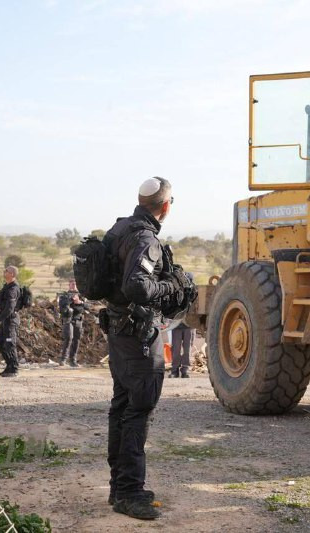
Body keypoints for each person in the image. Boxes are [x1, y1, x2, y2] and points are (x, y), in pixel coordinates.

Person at [103, 177, 187, 521]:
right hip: (138, 337)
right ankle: (129, 492)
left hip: (118, 331)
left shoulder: (119, 229)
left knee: (122, 406)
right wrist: (171, 285)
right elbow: (137, 284)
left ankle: (119, 486)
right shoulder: (144, 238)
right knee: (138, 410)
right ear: (166, 206)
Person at [0, 266, 21, 377]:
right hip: (5, 320)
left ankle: (14, 368)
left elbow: (9, 309)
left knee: (9, 344)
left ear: (12, 274)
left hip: (11, 320)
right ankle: (9, 366)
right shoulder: (6, 287)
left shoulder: (13, 289)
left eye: (6, 271)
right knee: (0, 344)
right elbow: (2, 305)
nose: (4, 272)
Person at [59, 280, 86, 367]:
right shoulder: (64, 296)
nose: (74, 286)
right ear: (69, 285)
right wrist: (71, 300)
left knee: (76, 340)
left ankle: (73, 360)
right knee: (69, 338)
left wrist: (79, 302)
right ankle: (63, 359)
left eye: (75, 284)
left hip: (78, 320)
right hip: (68, 320)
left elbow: (87, 307)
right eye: (72, 284)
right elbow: (62, 307)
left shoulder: (81, 296)